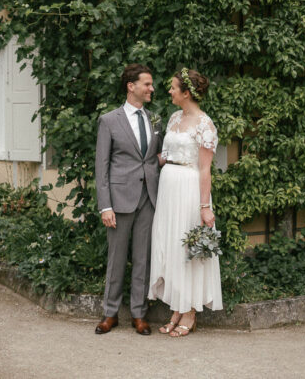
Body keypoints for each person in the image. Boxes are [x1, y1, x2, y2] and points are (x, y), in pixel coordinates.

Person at [149, 68, 222, 338]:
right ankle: (176, 308)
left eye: (173, 87)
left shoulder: (205, 124)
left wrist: (205, 207)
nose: (169, 91)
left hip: (189, 190)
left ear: (187, 92)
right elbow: (164, 155)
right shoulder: (173, 118)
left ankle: (189, 311)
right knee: (170, 246)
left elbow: (205, 169)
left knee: (186, 250)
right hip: (168, 189)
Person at [94, 63, 162, 335]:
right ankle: (110, 313)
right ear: (131, 86)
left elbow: (154, 157)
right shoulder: (109, 120)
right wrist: (105, 205)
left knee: (143, 258)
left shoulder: (155, 119)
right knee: (117, 258)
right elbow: (102, 166)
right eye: (147, 84)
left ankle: (139, 313)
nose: (151, 89)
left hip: (148, 197)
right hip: (120, 199)